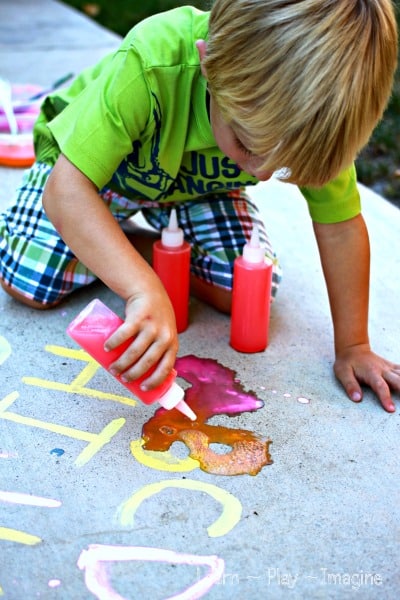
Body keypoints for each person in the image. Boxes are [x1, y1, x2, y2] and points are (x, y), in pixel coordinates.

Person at [0, 0, 399, 412]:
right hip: (93, 176)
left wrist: (354, 345)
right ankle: (125, 251)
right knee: (27, 278)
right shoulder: (153, 62)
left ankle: (133, 247)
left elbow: (340, 225)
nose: (261, 174)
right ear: (210, 66)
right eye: (246, 145)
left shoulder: (317, 117)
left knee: (247, 290)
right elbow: (65, 191)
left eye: (282, 165)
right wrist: (143, 288)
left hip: (195, 191)